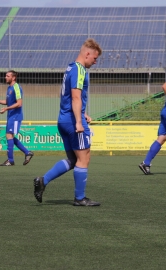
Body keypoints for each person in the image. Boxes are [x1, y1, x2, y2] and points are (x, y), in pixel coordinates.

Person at [33, 38, 102, 206]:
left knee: (73, 160)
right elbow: (76, 96)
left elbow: (67, 97)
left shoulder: (70, 67)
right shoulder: (79, 70)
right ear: (87, 54)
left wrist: (83, 113)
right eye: (94, 58)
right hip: (73, 122)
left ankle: (43, 180)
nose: (95, 62)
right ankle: (80, 198)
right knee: (84, 158)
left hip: (64, 119)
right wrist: (79, 121)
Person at [0, 70, 34, 166]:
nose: (5, 77)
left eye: (8, 76)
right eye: (5, 75)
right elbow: (8, 101)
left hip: (15, 116)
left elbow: (19, 103)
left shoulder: (16, 87)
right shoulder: (9, 88)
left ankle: (11, 160)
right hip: (11, 116)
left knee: (9, 135)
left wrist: (6, 109)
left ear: (13, 78)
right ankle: (27, 152)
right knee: (10, 136)